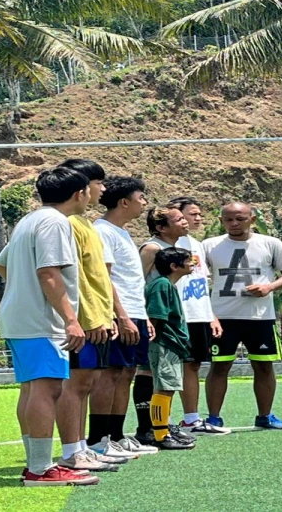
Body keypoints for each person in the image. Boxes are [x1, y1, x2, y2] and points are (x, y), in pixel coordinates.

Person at [0, 167, 99, 486]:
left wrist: (20, 291)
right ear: (79, 193)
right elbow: (49, 274)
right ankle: (40, 469)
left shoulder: (30, 220)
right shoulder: (56, 222)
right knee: (48, 388)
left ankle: (36, 464)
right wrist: (70, 319)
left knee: (32, 388)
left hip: (19, 317)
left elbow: (0, 264)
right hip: (41, 321)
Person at [53, 158, 125, 472]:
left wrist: (107, 314)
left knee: (88, 383)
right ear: (82, 188)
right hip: (86, 319)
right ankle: (71, 451)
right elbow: (75, 276)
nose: (103, 189)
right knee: (77, 385)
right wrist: (88, 317)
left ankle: (82, 447)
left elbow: (97, 275)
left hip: (99, 317)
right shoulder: (67, 224)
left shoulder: (85, 223)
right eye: (98, 183)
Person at [203, 202, 282, 431]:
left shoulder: (270, 243)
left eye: (240, 219)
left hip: (260, 317)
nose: (234, 224)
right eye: (229, 220)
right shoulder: (209, 246)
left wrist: (269, 287)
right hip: (222, 317)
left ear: (252, 219)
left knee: (264, 367)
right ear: (221, 221)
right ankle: (213, 419)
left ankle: (265, 417)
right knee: (219, 367)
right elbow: (199, 278)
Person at [90, 176, 160, 458]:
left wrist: (143, 316)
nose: (144, 203)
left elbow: (131, 280)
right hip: (121, 315)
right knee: (110, 375)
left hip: (135, 313)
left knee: (125, 374)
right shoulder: (103, 231)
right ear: (124, 202)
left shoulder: (122, 232)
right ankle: (98, 439)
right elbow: (105, 278)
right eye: (140, 197)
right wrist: (121, 316)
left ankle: (117, 436)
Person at [136, 207, 198, 447]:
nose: (186, 221)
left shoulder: (169, 278)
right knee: (157, 381)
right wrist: (148, 324)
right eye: (179, 218)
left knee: (164, 383)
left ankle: (161, 426)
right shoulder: (152, 250)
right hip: (160, 336)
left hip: (169, 334)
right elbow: (138, 284)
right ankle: (152, 429)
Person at [167, 197, 228, 436]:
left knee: (193, 366)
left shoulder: (196, 244)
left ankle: (191, 419)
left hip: (198, 315)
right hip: (177, 317)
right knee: (169, 368)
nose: (197, 218)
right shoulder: (165, 247)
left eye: (198, 214)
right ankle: (163, 422)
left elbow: (202, 283)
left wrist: (210, 315)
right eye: (191, 214)